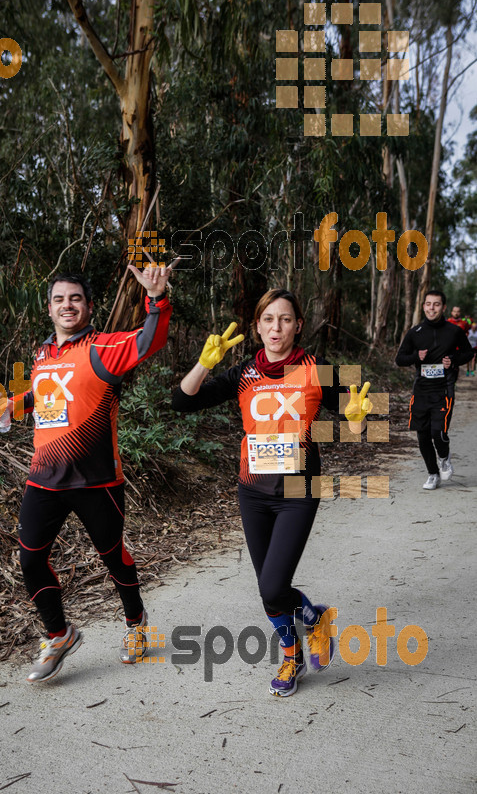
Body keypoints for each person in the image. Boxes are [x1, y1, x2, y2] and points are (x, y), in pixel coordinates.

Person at [172, 289, 370, 698]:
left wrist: (357, 420)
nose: (276, 327)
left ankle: (312, 622)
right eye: (268, 320)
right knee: (269, 586)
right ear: (257, 326)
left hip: (300, 487)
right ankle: (295, 647)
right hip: (253, 490)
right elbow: (181, 402)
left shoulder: (319, 369)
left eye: (285, 319)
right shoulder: (243, 373)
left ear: (299, 325)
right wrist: (204, 364)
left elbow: (361, 422)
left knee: (271, 586)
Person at [0, 267, 172, 682]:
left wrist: (156, 298)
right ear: (49, 308)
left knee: (115, 560)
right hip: (44, 479)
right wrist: (12, 407)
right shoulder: (42, 355)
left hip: (96, 482)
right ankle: (59, 634)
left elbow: (149, 339)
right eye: (59, 299)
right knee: (30, 560)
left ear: (88, 307)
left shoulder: (105, 347)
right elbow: (45, 394)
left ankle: (136, 623)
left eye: (75, 298)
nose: (67, 305)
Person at [395, 290, 473, 490]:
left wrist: (453, 360)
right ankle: (432, 474)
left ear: (443, 307)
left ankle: (444, 458)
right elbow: (400, 359)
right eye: (428, 304)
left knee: (438, 431)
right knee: (422, 435)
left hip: (444, 389)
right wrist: (415, 357)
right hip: (421, 389)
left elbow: (467, 353)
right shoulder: (415, 332)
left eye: (436, 304)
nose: (432, 308)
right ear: (423, 307)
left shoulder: (453, 331)